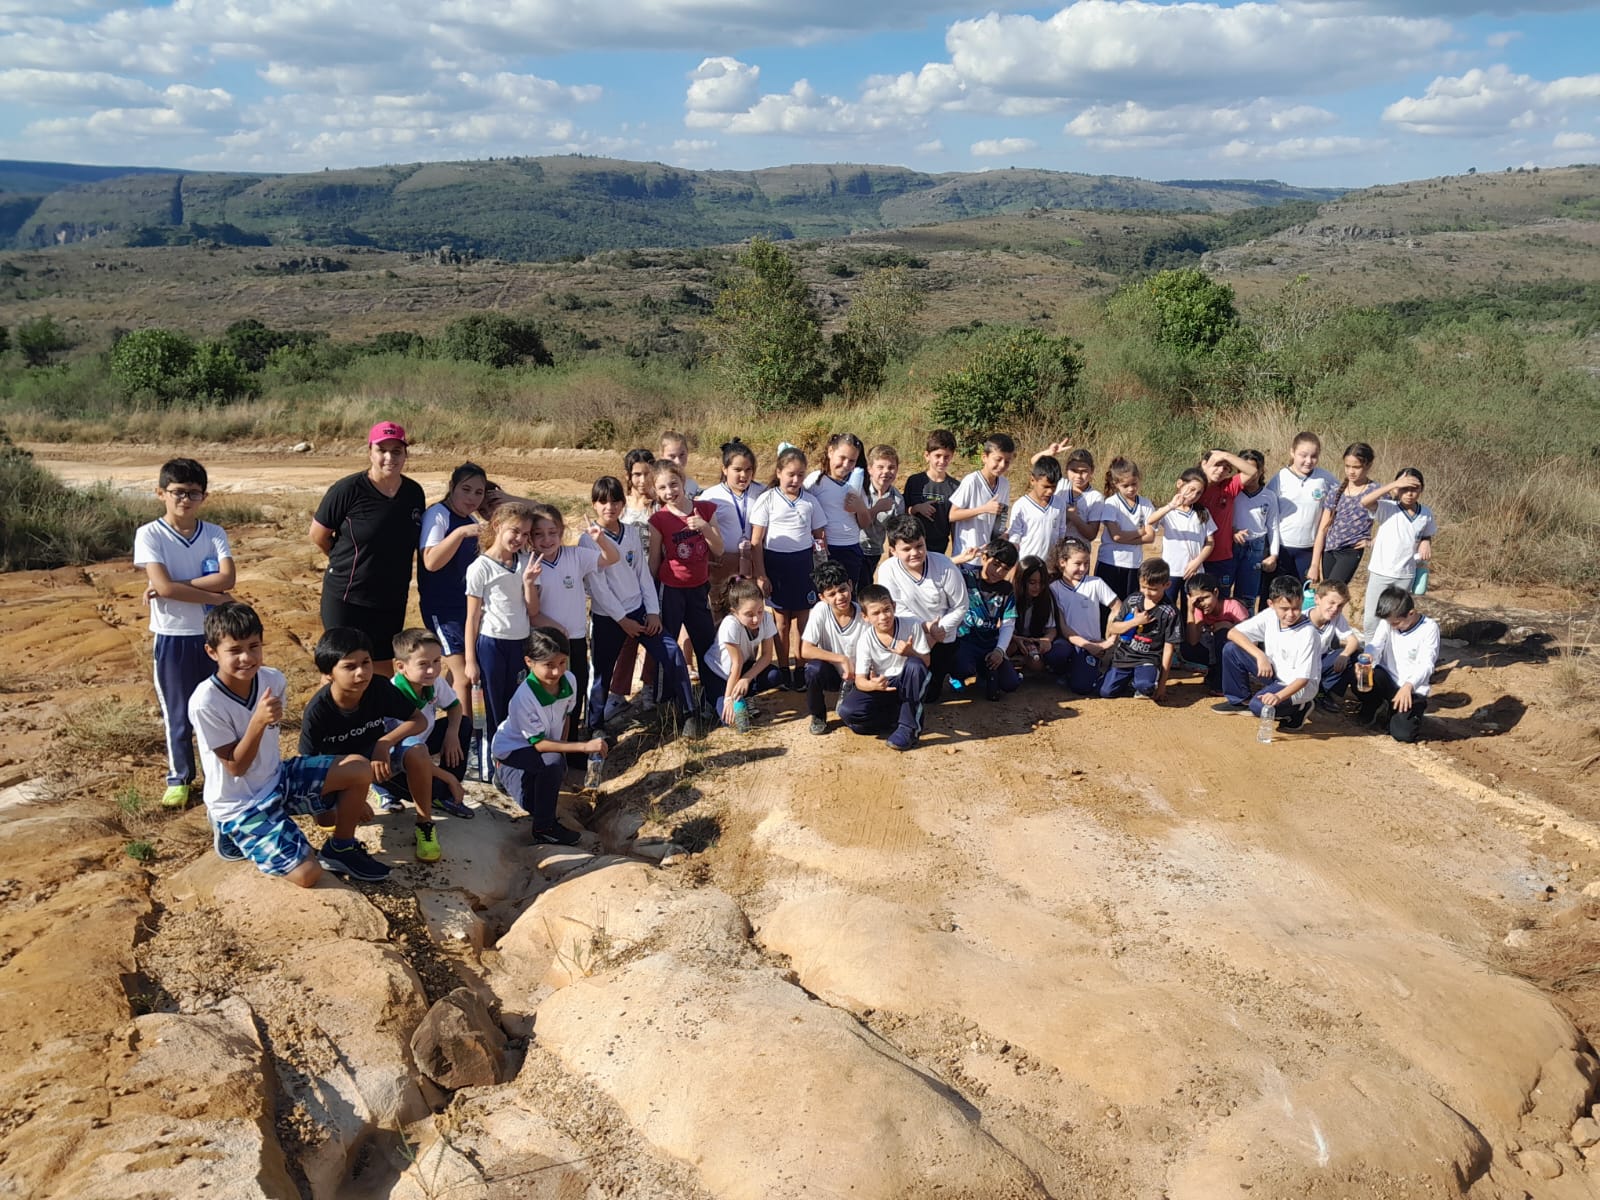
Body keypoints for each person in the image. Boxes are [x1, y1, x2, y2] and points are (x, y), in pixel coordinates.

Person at [188, 603, 386, 885]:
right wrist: (257, 722)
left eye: (254, 646)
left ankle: (341, 847)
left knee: (358, 768)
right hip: (240, 803)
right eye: (234, 650)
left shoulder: (272, 679)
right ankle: (229, 831)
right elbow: (236, 767)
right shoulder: (205, 702)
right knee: (308, 874)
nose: (246, 657)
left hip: (277, 778)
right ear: (212, 652)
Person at [134, 457, 236, 809]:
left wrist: (171, 586)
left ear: (204, 496)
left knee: (219, 708)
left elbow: (228, 579)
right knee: (177, 714)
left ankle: (221, 773)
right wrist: (213, 596)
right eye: (177, 492)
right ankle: (179, 777)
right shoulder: (149, 534)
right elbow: (162, 587)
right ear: (161, 493)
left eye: (193, 493)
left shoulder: (214, 533)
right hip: (173, 635)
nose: (185, 500)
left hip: (213, 636)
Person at [298, 626, 439, 862]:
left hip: (375, 760)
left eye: (366, 662)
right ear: (328, 673)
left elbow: (419, 720)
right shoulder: (318, 710)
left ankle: (425, 824)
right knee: (328, 821)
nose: (361, 672)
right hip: (337, 773)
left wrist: (384, 743)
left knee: (417, 750)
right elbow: (306, 765)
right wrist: (352, 796)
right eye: (349, 666)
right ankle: (342, 830)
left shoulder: (378, 687)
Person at [309, 421, 426, 676]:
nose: (389, 457)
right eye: (382, 450)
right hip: (347, 596)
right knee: (342, 669)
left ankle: (379, 717)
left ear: (406, 454)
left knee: (383, 669)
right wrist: (344, 562)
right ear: (370, 451)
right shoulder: (348, 490)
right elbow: (318, 535)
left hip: (391, 599)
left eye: (396, 451)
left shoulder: (414, 493)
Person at [584, 476, 689, 732]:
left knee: (672, 653)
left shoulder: (630, 531)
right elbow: (599, 588)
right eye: (603, 502)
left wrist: (652, 612)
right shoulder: (588, 540)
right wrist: (622, 620)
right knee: (601, 673)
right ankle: (594, 725)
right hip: (609, 618)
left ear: (623, 504)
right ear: (594, 505)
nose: (610, 507)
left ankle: (689, 711)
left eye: (615, 501)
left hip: (639, 612)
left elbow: (642, 573)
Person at [492, 626, 605, 845]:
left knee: (555, 766)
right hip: (514, 748)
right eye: (549, 665)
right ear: (529, 662)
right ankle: (544, 828)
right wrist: (582, 747)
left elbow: (567, 716)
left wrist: (563, 749)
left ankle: (525, 782)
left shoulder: (569, 681)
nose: (556, 671)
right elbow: (541, 745)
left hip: (543, 745)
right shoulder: (523, 698)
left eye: (562, 663)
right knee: (543, 782)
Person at [525, 501, 617, 756]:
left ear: (562, 532)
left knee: (573, 693)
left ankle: (572, 746)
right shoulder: (531, 564)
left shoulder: (575, 556)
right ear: (530, 538)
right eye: (539, 534)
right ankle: (548, 749)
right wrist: (554, 627)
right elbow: (532, 613)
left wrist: (600, 539)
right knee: (548, 696)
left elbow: (612, 558)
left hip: (575, 639)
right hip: (546, 643)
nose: (546, 539)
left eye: (552, 532)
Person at [648, 460, 722, 736]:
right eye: (662, 487)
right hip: (671, 590)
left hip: (699, 588)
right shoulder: (658, 520)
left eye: (674, 484)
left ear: (683, 481)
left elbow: (719, 547)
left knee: (707, 645)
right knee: (669, 648)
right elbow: (654, 561)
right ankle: (672, 705)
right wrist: (651, 600)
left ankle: (713, 700)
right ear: (656, 491)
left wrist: (703, 526)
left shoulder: (704, 509)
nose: (670, 491)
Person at [464, 501, 536, 775]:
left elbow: (532, 609)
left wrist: (529, 583)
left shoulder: (525, 563)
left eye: (526, 534)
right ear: (497, 526)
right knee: (491, 710)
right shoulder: (480, 567)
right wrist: (471, 660)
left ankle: (509, 764)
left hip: (520, 644)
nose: (520, 538)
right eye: (515, 531)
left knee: (513, 706)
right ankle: (488, 768)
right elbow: (472, 617)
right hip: (491, 645)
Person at [377, 628, 474, 820]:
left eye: (437, 661)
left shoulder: (433, 681)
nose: (433, 670)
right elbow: (405, 754)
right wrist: (448, 778)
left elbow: (454, 707)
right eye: (423, 664)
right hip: (399, 759)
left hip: (420, 746)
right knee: (431, 787)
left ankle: (445, 795)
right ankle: (382, 786)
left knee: (462, 723)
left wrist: (451, 734)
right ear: (401, 666)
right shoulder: (392, 695)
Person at [751, 445, 826, 690]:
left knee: (804, 621)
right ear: (779, 472)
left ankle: (801, 668)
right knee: (781, 622)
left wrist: (821, 568)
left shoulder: (811, 502)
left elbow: (819, 537)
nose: (795, 479)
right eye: (790, 474)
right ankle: (784, 669)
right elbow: (756, 542)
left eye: (801, 475)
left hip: (803, 566)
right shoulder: (768, 499)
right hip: (777, 566)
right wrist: (761, 574)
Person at [417, 462, 488, 717]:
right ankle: (465, 735)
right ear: (452, 487)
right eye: (466, 489)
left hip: (466, 608)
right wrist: (458, 534)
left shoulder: (470, 519)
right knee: (464, 676)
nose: (471, 498)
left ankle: (443, 718)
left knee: (460, 672)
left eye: (478, 493)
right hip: (443, 608)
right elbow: (431, 561)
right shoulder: (439, 515)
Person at [875, 514, 968, 701]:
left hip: (942, 637)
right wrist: (926, 628)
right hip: (908, 637)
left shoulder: (945, 565)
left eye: (919, 546)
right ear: (893, 550)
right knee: (905, 691)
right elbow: (896, 609)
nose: (915, 553)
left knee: (930, 696)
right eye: (906, 549)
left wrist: (938, 630)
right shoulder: (887, 570)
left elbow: (960, 605)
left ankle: (954, 669)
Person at [1215, 576, 1320, 730]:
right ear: (1271, 604)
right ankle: (1238, 701)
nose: (1290, 614)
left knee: (1258, 707)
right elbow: (1233, 633)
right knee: (1231, 649)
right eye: (1284, 609)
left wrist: (1278, 697)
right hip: (1274, 673)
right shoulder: (1270, 615)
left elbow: (1303, 679)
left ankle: (1299, 708)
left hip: (1296, 685)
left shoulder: (1307, 633)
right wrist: (1260, 655)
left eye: (1296, 608)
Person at [837, 584, 932, 751]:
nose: (883, 617)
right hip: (883, 685)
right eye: (875, 613)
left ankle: (908, 729)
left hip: (906, 680)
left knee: (915, 665)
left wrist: (911, 652)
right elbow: (860, 680)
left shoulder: (912, 625)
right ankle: (895, 716)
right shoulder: (865, 639)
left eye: (887, 609)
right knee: (848, 712)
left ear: (894, 606)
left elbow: (926, 662)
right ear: (865, 617)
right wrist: (873, 685)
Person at [1360, 468, 1435, 638]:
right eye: (1404, 488)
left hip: (1405, 573)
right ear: (1396, 489)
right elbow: (1364, 502)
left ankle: (1390, 653)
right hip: (1381, 571)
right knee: (1372, 617)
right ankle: (1370, 653)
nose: (1409, 493)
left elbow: (1426, 534)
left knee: (1397, 616)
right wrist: (1393, 484)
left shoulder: (1426, 514)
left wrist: (1426, 542)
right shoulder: (1388, 507)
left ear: (1421, 489)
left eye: (1414, 488)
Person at [1358, 586, 1440, 743]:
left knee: (1403, 734)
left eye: (1396, 623)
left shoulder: (1429, 628)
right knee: (1361, 677)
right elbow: (1376, 645)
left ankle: (1395, 713)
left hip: (1412, 688)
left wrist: (1409, 686)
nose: (1392, 626)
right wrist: (1368, 656)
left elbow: (1427, 663)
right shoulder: (1388, 622)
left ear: (1411, 613)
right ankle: (1374, 705)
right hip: (1387, 678)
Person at [799, 559, 867, 735]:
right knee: (813, 669)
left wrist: (858, 673)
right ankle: (818, 715)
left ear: (851, 585)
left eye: (843, 589)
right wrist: (841, 659)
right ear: (822, 597)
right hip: (833, 674)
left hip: (859, 675)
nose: (840, 597)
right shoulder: (820, 610)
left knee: (857, 721)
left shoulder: (864, 614)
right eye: (832, 593)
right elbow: (805, 650)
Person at [703, 579, 784, 725]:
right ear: (735, 612)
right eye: (749, 614)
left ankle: (746, 695)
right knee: (729, 721)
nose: (756, 618)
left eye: (760, 611)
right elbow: (736, 663)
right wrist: (728, 699)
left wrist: (746, 679)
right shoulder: (730, 624)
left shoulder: (766, 618)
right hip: (718, 672)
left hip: (741, 668)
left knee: (774, 675)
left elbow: (766, 656)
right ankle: (710, 697)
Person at [1101, 558, 1180, 701]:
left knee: (1146, 687)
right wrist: (1135, 621)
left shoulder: (1170, 612)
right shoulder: (1132, 600)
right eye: (1143, 587)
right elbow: (1114, 627)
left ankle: (1144, 681)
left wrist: (1162, 685)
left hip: (1148, 658)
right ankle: (1129, 679)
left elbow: (1169, 649)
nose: (1147, 592)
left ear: (1167, 585)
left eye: (1153, 589)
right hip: (1124, 656)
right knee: (1106, 692)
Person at [1266, 432, 1337, 585]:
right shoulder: (1280, 478)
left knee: (1302, 598)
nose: (1308, 461)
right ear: (1292, 452)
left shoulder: (1325, 478)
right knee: (1276, 595)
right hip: (1281, 548)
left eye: (1314, 456)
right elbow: (1265, 510)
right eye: (1303, 455)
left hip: (1308, 550)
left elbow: (1345, 497)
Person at [955, 539, 1022, 701]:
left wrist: (1000, 651)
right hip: (965, 640)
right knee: (962, 667)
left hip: (989, 643)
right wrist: (959, 559)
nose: (998, 571)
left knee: (1010, 684)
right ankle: (956, 675)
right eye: (995, 564)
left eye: (1005, 569)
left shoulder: (1006, 589)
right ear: (984, 558)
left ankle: (985, 672)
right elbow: (939, 568)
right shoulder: (966, 577)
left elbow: (1008, 623)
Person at [1049, 538, 1117, 695]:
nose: (1083, 568)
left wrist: (1109, 639)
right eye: (1078, 564)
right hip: (1070, 643)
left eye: (1086, 563)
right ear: (1062, 562)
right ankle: (1062, 671)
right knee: (1056, 653)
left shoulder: (1096, 583)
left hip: (1094, 645)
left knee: (1082, 688)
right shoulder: (1054, 588)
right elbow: (1064, 628)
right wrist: (1088, 645)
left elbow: (1118, 608)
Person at [1147, 467, 1216, 618]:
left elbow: (1210, 542)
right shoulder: (1168, 511)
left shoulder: (1202, 513)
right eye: (1191, 490)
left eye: (1198, 493)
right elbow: (1151, 520)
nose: (1193, 495)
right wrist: (1171, 505)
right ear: (1179, 484)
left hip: (1195, 571)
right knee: (1167, 609)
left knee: (1192, 611)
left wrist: (1197, 562)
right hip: (1171, 570)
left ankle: (1190, 642)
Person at [806, 433, 872, 584]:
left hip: (851, 548)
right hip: (824, 550)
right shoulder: (815, 481)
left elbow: (865, 523)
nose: (846, 465)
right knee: (825, 593)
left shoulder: (858, 484)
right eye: (842, 458)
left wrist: (860, 508)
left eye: (852, 461)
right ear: (830, 452)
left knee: (847, 594)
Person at [698, 439, 765, 587]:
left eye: (748, 469)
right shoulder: (710, 497)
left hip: (753, 565)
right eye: (737, 470)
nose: (744, 475)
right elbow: (699, 532)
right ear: (725, 469)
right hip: (723, 566)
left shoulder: (762, 492)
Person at [1312, 442, 1380, 585]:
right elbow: (1323, 529)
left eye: (1356, 467)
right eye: (1347, 466)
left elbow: (1391, 520)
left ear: (1368, 465)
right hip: (1329, 549)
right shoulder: (1336, 491)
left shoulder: (1374, 491)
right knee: (1328, 593)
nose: (1351, 471)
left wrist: (1372, 542)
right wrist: (1314, 564)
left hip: (1351, 551)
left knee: (1334, 590)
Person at [1197, 449, 1259, 595]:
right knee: (1195, 603)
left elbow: (1252, 471)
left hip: (1222, 557)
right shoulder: (1195, 488)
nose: (1220, 471)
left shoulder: (1228, 487)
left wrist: (1225, 455)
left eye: (1226, 468)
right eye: (1217, 465)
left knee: (1221, 602)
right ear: (1204, 464)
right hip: (1196, 557)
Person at [1094, 456, 1155, 601]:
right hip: (1111, 563)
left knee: (1131, 608)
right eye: (1125, 486)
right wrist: (1139, 532)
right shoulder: (1111, 503)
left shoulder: (1146, 504)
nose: (1131, 489)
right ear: (1116, 484)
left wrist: (1125, 537)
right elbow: (1116, 537)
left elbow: (1151, 537)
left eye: (1134, 484)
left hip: (1134, 564)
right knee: (1107, 609)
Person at [949, 433, 1015, 560]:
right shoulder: (971, 481)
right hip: (967, 554)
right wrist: (983, 509)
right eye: (998, 459)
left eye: (1007, 461)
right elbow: (952, 515)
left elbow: (1002, 516)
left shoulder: (1004, 484)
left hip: (989, 556)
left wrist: (1001, 536)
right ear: (984, 457)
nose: (1002, 465)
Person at [1231, 449, 1278, 613]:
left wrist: (1274, 554)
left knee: (1247, 598)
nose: (1249, 476)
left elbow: (1273, 526)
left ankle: (1246, 635)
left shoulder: (1269, 496)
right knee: (1223, 593)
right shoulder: (1232, 494)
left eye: (1252, 470)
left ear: (1261, 470)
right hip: (1231, 546)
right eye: (1243, 471)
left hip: (1256, 549)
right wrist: (1232, 532)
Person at [1305, 579, 1363, 709]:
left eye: (1340, 605)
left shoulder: (1336, 618)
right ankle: (1313, 693)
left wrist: (1345, 654)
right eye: (1331, 603)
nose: (1335, 609)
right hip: (1302, 664)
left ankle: (1322, 693)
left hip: (1320, 662)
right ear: (1317, 599)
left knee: (1354, 656)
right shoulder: (1302, 620)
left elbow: (1353, 641)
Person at [1183, 571, 1248, 686]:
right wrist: (1190, 610)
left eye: (1205, 598)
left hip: (1237, 652)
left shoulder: (1233, 606)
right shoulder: (1199, 610)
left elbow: (1252, 639)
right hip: (1215, 651)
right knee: (1186, 647)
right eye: (1197, 601)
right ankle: (1214, 670)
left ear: (1216, 592)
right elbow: (1193, 641)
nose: (1202, 603)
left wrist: (1227, 626)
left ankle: (1223, 681)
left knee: (1222, 634)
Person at [903, 430, 960, 554]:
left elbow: (955, 524)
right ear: (927, 456)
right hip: (913, 545)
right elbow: (903, 512)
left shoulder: (956, 487)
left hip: (939, 547)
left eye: (946, 457)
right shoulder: (915, 481)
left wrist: (957, 551)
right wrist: (917, 508)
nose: (942, 461)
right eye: (937, 456)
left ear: (952, 456)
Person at [859, 444, 905, 591]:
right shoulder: (858, 489)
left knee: (865, 589)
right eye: (880, 467)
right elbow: (857, 522)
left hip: (873, 551)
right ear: (870, 469)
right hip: (852, 547)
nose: (886, 472)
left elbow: (895, 535)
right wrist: (877, 508)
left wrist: (894, 566)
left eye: (891, 467)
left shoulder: (897, 500)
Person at [1006, 456, 1065, 565]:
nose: (1050, 491)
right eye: (1046, 487)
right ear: (1033, 480)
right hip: (1026, 566)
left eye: (1054, 487)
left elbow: (1061, 534)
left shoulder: (1060, 504)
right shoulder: (1021, 505)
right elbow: (1014, 539)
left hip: (1050, 566)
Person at [1009, 556, 1058, 678]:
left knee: (1037, 665)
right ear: (1021, 580)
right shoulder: (1010, 595)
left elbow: (1051, 628)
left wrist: (1046, 640)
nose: (1037, 587)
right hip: (1012, 639)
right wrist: (1016, 639)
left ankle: (1022, 662)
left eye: (1041, 583)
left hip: (1033, 642)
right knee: (1008, 647)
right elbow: (1000, 627)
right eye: (1032, 582)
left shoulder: (1047, 597)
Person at [1054, 446, 1103, 543]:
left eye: (1084, 471)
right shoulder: (1059, 485)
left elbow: (1092, 534)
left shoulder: (1096, 497)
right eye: (1074, 471)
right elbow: (1037, 466)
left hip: (1080, 550)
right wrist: (1050, 453)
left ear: (1092, 470)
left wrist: (1074, 517)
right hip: (1056, 547)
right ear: (1066, 469)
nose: (1078, 476)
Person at [659, 430, 701, 499]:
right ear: (662, 456)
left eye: (682, 455)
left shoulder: (692, 485)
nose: (678, 461)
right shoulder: (657, 485)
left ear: (687, 452)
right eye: (672, 456)